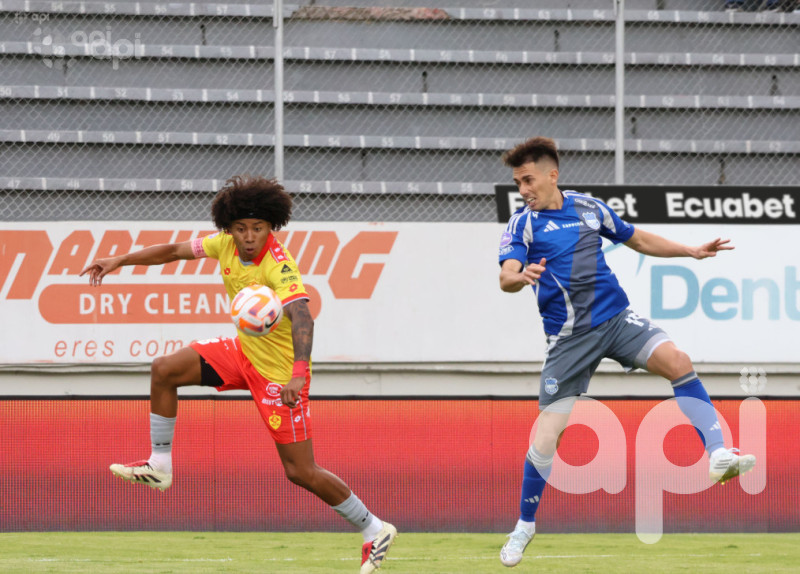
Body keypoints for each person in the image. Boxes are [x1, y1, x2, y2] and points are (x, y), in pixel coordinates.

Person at [81, 174, 396, 574]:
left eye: (258, 228)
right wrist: (120, 260)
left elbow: (303, 314)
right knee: (164, 369)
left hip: (280, 375)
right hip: (242, 353)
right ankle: (159, 465)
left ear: (272, 227)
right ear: (229, 228)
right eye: (241, 228)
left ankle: (374, 528)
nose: (249, 237)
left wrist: (298, 375)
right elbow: (174, 251)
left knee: (300, 471)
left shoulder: (279, 266)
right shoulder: (222, 244)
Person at [495, 137, 756, 568]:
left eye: (527, 180)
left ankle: (717, 455)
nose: (522, 189)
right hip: (570, 341)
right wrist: (519, 275)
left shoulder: (588, 208)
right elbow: (505, 275)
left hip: (617, 321)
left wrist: (690, 252)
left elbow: (636, 239)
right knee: (546, 437)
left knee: (679, 361)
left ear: (551, 175)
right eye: (517, 182)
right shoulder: (521, 225)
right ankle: (524, 525)